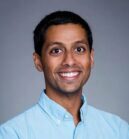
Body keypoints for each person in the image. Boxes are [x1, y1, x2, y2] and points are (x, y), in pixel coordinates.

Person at [0, 11, 129, 139]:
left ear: (91, 57)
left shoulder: (119, 130)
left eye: (79, 49)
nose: (69, 61)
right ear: (38, 61)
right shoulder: (12, 134)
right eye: (56, 51)